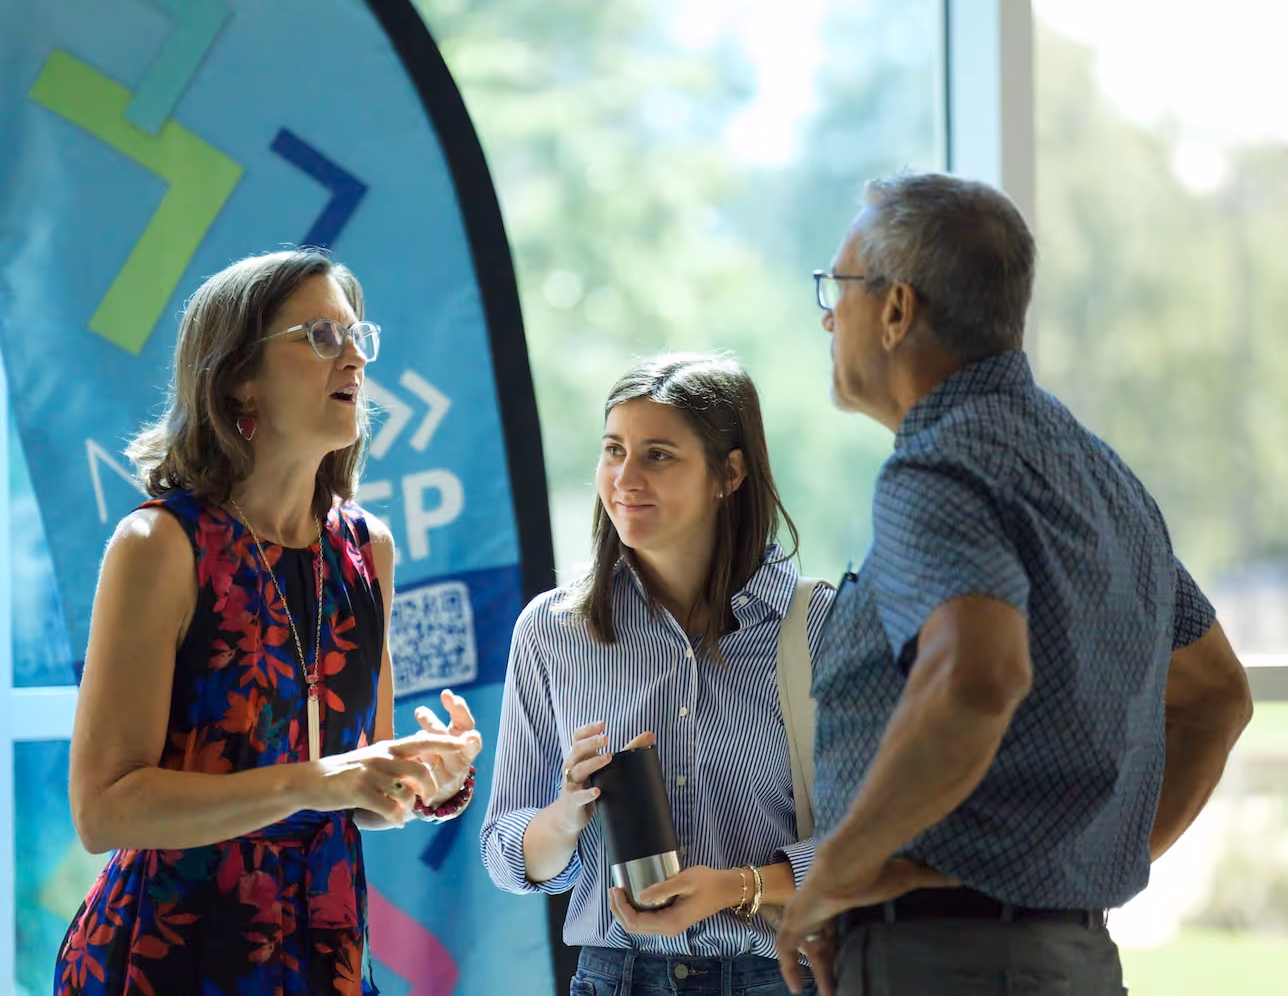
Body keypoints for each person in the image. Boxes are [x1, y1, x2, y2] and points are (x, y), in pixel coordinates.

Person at [775, 171, 1255, 995]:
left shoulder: (940, 464)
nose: (828, 313)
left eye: (840, 287)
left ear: (897, 310)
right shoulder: (1097, 475)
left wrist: (830, 882)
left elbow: (976, 677)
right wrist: (1064, 882)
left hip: (947, 967)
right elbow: (1218, 698)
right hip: (1068, 960)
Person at [54, 249, 483, 996]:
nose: (353, 356)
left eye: (357, 336)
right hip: (170, 954)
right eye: (320, 337)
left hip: (326, 952)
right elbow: (104, 811)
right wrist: (314, 782)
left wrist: (422, 773)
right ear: (237, 379)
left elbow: (362, 793)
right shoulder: (160, 545)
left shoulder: (367, 549)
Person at [480, 354, 837, 996]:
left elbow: (872, 842)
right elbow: (507, 856)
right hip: (613, 978)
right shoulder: (551, 629)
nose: (625, 478)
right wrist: (566, 813)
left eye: (659, 455)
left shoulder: (817, 627)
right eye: (613, 450)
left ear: (729, 473)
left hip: (777, 978)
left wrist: (739, 886)